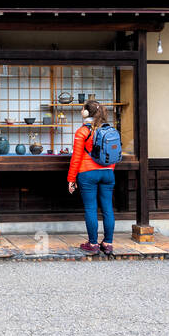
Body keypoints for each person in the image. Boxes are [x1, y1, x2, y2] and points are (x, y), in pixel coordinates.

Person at [66, 99, 116, 255]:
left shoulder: (82, 131)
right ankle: (108, 243)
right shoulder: (108, 129)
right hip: (108, 172)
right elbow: (113, 154)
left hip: (88, 173)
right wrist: (108, 169)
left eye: (82, 109)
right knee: (108, 208)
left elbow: (76, 157)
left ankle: (93, 244)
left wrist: (71, 179)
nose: (81, 111)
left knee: (91, 208)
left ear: (87, 112)